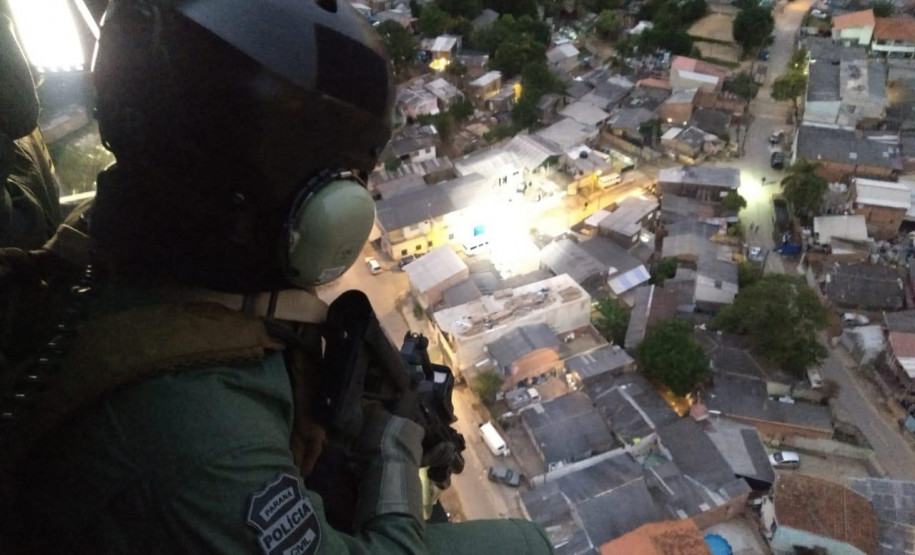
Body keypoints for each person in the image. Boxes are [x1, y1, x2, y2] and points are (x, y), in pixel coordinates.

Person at [6, 1, 552, 554]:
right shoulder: (204, 437)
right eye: (345, 177)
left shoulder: (114, 243)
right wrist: (394, 449)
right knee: (527, 544)